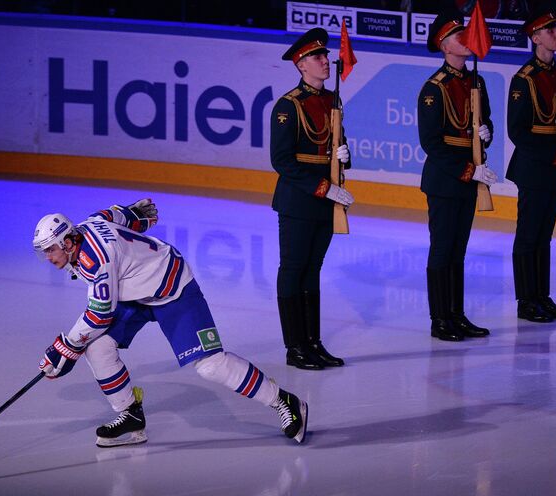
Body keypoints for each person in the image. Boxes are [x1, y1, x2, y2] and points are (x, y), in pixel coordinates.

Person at [32, 200, 308, 446]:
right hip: (134, 291)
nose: (48, 257)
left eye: (50, 250)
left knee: (211, 366)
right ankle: (130, 414)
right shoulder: (86, 226)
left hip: (173, 289)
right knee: (97, 347)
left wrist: (65, 348)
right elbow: (112, 214)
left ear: (68, 242)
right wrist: (135, 215)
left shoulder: (97, 260)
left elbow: (99, 315)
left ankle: (284, 400)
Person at [270, 28, 353, 369]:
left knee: (313, 271)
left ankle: (313, 342)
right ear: (301, 65)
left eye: (325, 55)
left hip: (325, 202)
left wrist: (346, 155)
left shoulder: (333, 100)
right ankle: (295, 347)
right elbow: (283, 161)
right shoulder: (288, 106)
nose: (325, 60)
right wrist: (323, 188)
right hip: (299, 201)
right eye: (317, 57)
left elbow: (337, 144)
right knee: (294, 270)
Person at [417, 7, 496, 342]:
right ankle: (440, 319)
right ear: (444, 46)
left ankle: (456, 314)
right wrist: (469, 169)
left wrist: (486, 133)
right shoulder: (434, 88)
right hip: (446, 180)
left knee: (458, 250)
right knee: (442, 249)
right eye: (458, 37)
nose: (465, 40)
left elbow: (485, 119)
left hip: (469, 177)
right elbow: (432, 143)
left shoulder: (476, 81)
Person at [506, 9, 556, 322]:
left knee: (544, 235)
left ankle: (542, 296)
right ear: (536, 38)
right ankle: (527, 301)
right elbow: (518, 132)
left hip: (555, 165)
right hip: (534, 166)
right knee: (528, 235)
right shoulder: (524, 79)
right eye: (549, 30)